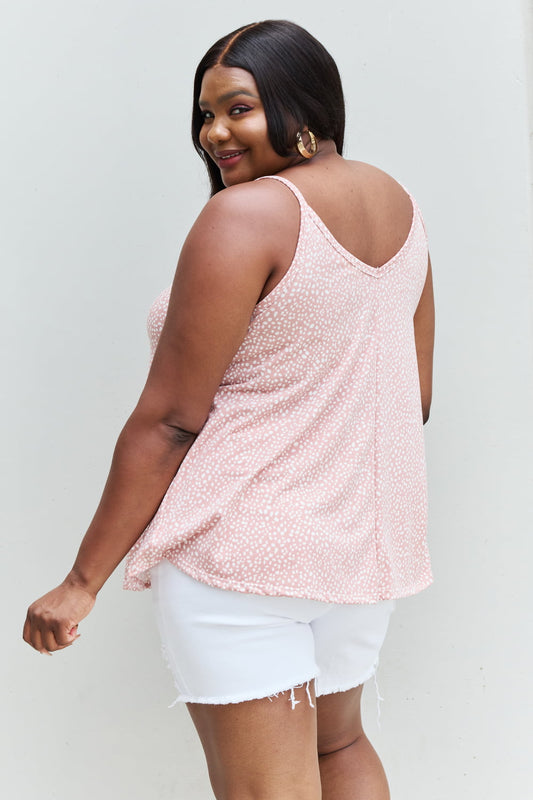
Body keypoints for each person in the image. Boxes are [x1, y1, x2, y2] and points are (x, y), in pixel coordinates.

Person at [23, 19, 435, 800]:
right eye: (204, 114)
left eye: (238, 108)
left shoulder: (245, 216)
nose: (214, 133)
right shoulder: (400, 208)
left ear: (303, 104)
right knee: (338, 745)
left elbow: (171, 421)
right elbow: (410, 398)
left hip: (242, 557)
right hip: (359, 549)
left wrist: (80, 581)